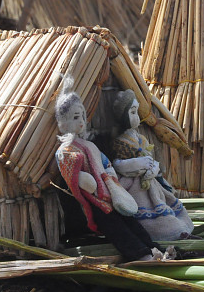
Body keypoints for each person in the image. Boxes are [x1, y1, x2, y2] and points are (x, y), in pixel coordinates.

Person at [41, 82, 169, 261]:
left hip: (110, 192)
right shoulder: (66, 150)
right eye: (75, 117)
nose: (81, 122)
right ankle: (141, 255)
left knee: (130, 221)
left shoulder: (90, 145)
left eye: (83, 116)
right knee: (115, 228)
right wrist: (86, 180)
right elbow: (73, 175)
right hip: (95, 200)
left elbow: (106, 164)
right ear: (63, 122)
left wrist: (111, 180)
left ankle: (154, 248)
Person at [110, 90, 193, 241]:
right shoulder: (120, 141)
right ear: (123, 116)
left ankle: (180, 228)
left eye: (136, 111)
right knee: (150, 214)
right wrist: (136, 164)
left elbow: (150, 158)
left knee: (164, 203)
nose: (137, 117)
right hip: (135, 185)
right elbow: (117, 164)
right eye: (132, 112)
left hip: (151, 183)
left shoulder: (139, 137)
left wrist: (153, 168)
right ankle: (163, 233)